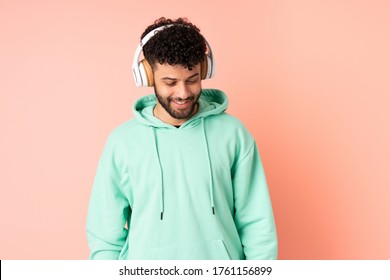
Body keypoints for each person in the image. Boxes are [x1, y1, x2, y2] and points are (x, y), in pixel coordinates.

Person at [86, 17, 278, 260]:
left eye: (192, 80)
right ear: (148, 77)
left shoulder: (233, 134)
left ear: (204, 71)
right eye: (170, 82)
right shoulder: (122, 143)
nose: (183, 93)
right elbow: (105, 237)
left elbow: (257, 223)